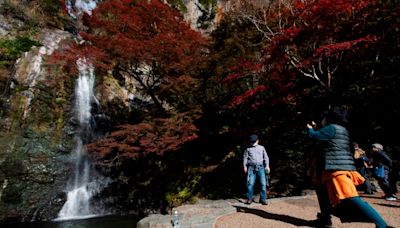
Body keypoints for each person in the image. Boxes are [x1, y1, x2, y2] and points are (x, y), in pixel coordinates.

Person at [307, 107, 388, 228]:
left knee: (353, 198)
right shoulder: (342, 130)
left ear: (330, 118)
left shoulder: (331, 128)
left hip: (337, 169)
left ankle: (382, 225)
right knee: (322, 192)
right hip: (335, 167)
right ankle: (325, 219)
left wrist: (310, 129)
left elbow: (314, 136)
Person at [243, 134, 270, 205]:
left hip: (261, 168)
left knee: (263, 184)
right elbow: (245, 158)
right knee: (250, 184)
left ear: (257, 141)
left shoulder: (262, 148)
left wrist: (267, 166)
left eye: (254, 141)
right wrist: (245, 166)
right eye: (252, 142)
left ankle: (263, 199)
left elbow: (266, 157)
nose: (253, 143)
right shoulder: (248, 149)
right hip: (251, 168)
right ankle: (249, 199)